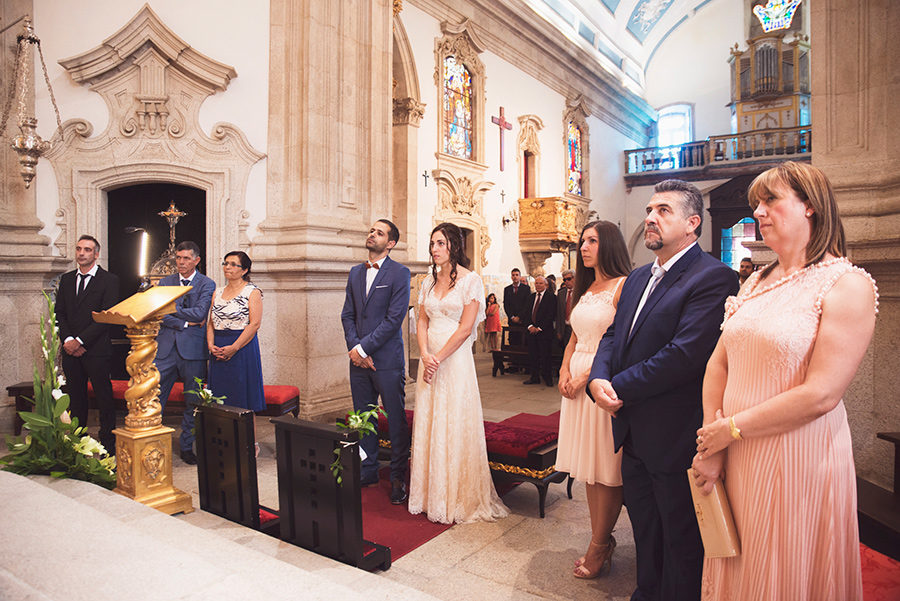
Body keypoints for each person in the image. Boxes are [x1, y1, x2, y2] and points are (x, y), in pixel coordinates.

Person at [692, 162, 877, 601]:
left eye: (771, 200)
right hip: (735, 450)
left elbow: (821, 394)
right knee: (739, 561)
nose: (759, 211)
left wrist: (729, 429)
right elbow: (718, 364)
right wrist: (713, 441)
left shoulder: (846, 284)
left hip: (799, 452)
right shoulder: (756, 280)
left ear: (810, 206)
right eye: (757, 203)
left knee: (785, 570)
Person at [588, 180, 739, 601]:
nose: (650, 217)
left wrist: (617, 386)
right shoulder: (637, 278)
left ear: (692, 223)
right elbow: (613, 335)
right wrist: (597, 379)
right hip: (633, 431)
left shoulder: (713, 277)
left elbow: (684, 355)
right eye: (650, 209)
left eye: (664, 211)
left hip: (676, 434)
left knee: (681, 541)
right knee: (645, 532)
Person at [409, 222, 508, 524]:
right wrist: (425, 354)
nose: (434, 249)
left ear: (453, 245)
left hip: (454, 361)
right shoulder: (427, 281)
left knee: (453, 419)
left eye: (440, 243)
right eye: (432, 243)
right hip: (430, 359)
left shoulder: (471, 280)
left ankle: (456, 495)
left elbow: (466, 328)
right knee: (429, 421)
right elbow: (421, 320)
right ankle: (429, 494)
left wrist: (438, 357)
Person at [556, 221, 631, 579]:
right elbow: (574, 337)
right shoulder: (586, 289)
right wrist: (563, 373)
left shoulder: (622, 287)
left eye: (591, 241)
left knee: (606, 469)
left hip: (601, 380)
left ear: (610, 245)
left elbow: (620, 342)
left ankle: (600, 544)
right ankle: (599, 537)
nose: (583, 247)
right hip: (576, 378)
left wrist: (585, 377)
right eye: (582, 241)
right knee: (589, 470)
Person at [340, 220, 411, 504]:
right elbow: (347, 315)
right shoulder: (356, 272)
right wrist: (356, 349)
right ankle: (368, 469)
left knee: (395, 420)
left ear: (390, 243)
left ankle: (397, 477)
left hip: (386, 360)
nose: (372, 234)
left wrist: (364, 348)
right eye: (371, 230)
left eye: (379, 233)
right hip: (358, 361)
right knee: (363, 418)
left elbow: (394, 320)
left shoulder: (400, 273)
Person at [55, 235, 120, 453]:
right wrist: (68, 340)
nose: (81, 253)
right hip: (70, 350)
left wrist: (81, 341)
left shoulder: (109, 280)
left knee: (104, 398)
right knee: (76, 398)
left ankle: (108, 443)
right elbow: (60, 314)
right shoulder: (65, 280)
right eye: (79, 249)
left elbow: (107, 315)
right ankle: (78, 441)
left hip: (97, 349)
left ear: (96, 254)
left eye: (87, 250)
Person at [156, 241, 215, 465]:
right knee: (155, 399)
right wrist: (186, 323)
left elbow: (201, 312)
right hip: (166, 351)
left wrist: (174, 311)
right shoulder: (165, 283)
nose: (181, 262)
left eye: (186, 258)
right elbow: (160, 313)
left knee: (193, 401)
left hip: (194, 352)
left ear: (196, 260)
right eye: (178, 258)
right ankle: (155, 443)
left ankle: (187, 446)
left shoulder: (206, 284)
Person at [207, 251, 266, 416]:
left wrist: (234, 347)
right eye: (226, 263)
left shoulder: (252, 292)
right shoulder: (217, 292)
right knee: (219, 396)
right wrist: (211, 345)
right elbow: (211, 322)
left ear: (244, 270)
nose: (228, 267)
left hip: (242, 346)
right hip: (218, 346)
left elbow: (254, 324)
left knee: (243, 396)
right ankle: (221, 439)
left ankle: (249, 441)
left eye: (233, 264)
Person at [522, 276, 556, 387]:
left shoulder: (551, 297)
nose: (538, 285)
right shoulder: (531, 297)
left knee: (545, 356)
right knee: (533, 355)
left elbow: (550, 315)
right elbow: (526, 313)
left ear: (546, 285)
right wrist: (530, 326)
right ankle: (534, 377)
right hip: (531, 332)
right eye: (536, 283)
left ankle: (547, 378)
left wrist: (539, 328)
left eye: (541, 283)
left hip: (544, 332)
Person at [502, 268, 530, 356]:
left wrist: (519, 317)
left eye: (517, 275)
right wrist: (512, 317)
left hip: (522, 320)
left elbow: (527, 305)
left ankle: (522, 363)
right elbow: (506, 305)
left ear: (520, 276)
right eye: (513, 275)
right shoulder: (507, 289)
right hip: (512, 320)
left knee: (523, 341)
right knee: (512, 340)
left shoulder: (526, 289)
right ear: (511, 277)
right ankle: (513, 363)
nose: (515, 277)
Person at [556, 268, 576, 350]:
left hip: (576, 327)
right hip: (565, 328)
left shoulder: (580, 291)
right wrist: (559, 331)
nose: (566, 281)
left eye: (569, 279)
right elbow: (559, 313)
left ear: (575, 278)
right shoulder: (561, 293)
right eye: (564, 280)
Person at [485, 293, 504, 377]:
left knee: (495, 334)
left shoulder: (496, 305)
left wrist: (489, 311)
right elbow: (486, 313)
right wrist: (488, 306)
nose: (491, 300)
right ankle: (492, 348)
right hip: (489, 321)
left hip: (494, 320)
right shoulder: (489, 305)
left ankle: (495, 347)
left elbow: (492, 313)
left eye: (492, 298)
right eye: (490, 298)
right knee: (491, 335)